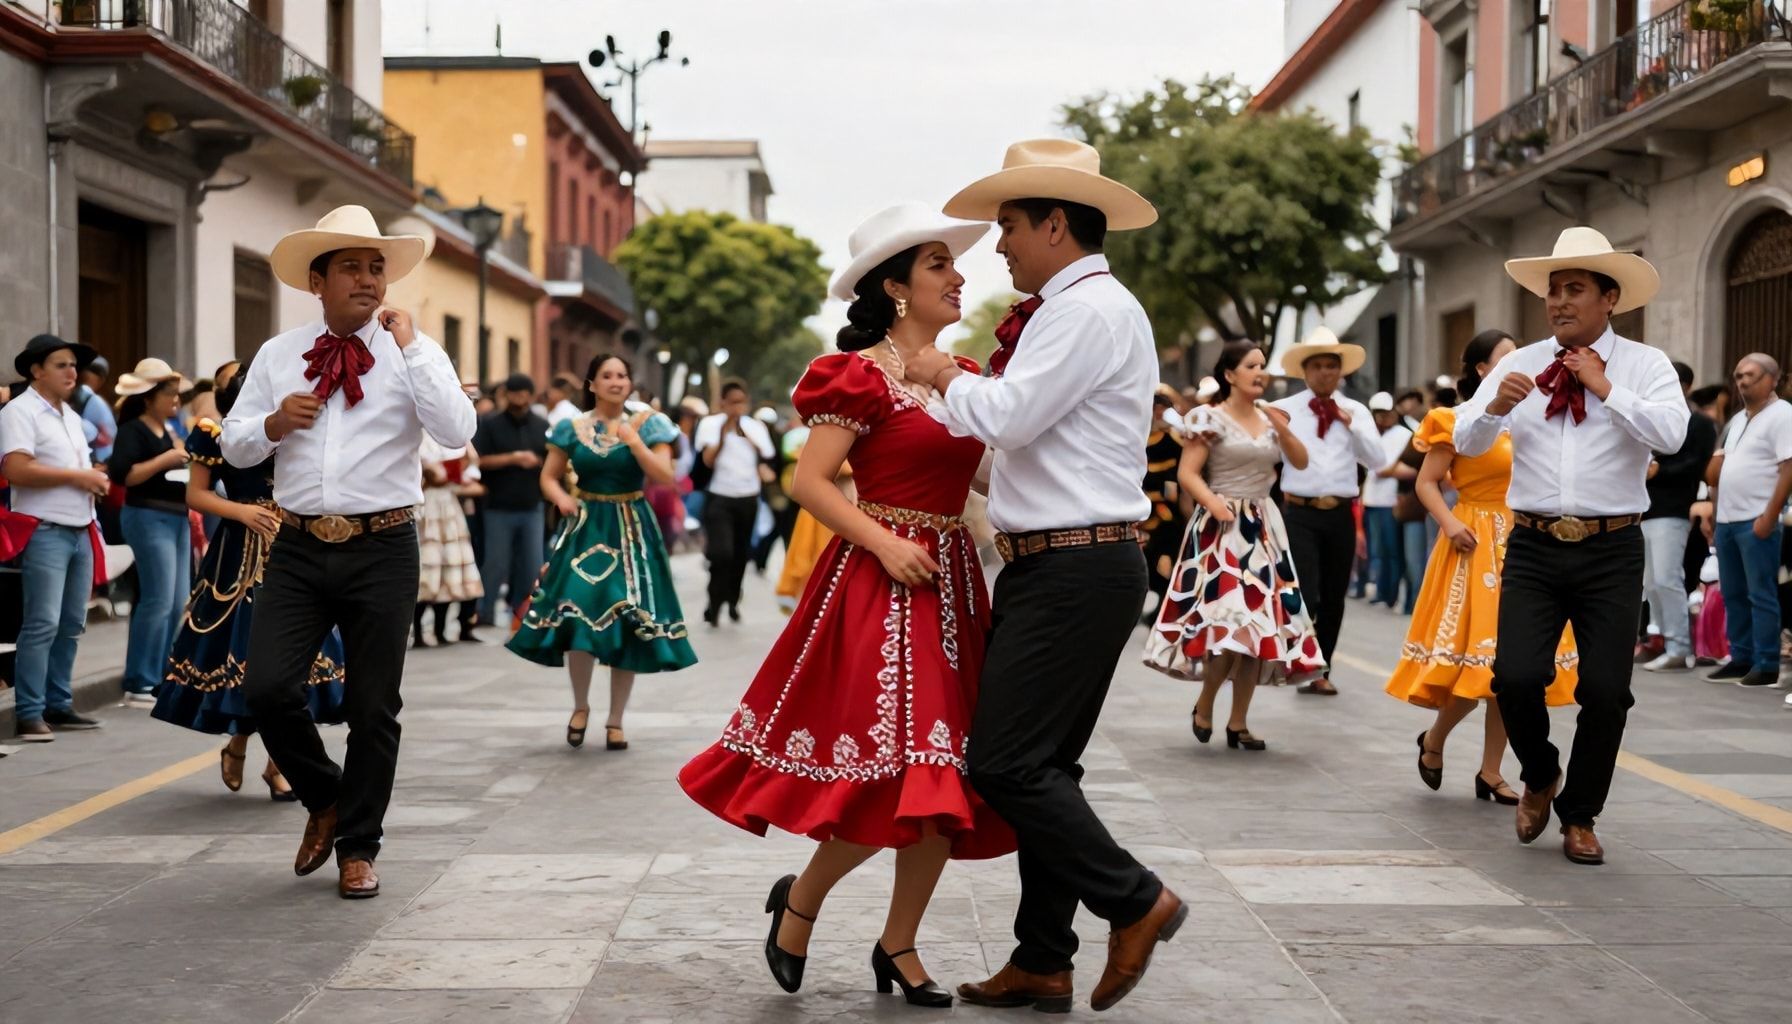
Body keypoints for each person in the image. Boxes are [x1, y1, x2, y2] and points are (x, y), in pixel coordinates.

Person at [680, 202, 1010, 1007]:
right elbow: (809, 481)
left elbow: (985, 480)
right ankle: (801, 905)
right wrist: (884, 542)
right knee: (891, 771)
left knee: (944, 780)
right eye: (939, 264)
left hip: (953, 582)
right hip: (878, 580)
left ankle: (898, 944)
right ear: (893, 287)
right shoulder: (855, 374)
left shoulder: (962, 378)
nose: (959, 275)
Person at [902, 140, 1187, 1013]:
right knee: (1046, 763)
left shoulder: (1085, 311)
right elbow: (1025, 455)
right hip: (1063, 559)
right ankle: (1043, 957)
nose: (999, 249)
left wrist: (945, 373)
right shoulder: (1076, 311)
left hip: (1074, 564)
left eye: (1010, 228)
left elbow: (1014, 418)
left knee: (1005, 763)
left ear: (1056, 225)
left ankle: (1135, 899)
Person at [223, 205, 476, 899]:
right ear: (318, 281)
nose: (368, 279)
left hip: (384, 543)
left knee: (373, 706)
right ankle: (327, 797)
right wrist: (273, 423)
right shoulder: (278, 354)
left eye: (377, 268)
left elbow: (455, 433)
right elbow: (234, 442)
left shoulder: (414, 351)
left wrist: (416, 349)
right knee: (267, 688)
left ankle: (360, 845)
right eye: (351, 267)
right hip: (299, 544)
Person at [1455, 226, 1686, 865]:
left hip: (1612, 548)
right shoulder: (1518, 363)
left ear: (1610, 299)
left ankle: (1580, 814)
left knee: (1607, 689)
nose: (1559, 302)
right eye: (1553, 290)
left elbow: (1671, 436)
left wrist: (1606, 387)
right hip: (1532, 542)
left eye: (1575, 289)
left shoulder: (1645, 365)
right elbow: (1467, 444)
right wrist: (1494, 407)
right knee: (1515, 676)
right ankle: (1539, 771)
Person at [1387, 330, 1577, 804]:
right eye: (1508, 358)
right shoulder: (1454, 418)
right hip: (1472, 543)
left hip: (1525, 541)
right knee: (1477, 668)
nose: (1521, 364)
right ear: (1481, 370)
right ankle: (1434, 740)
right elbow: (1428, 483)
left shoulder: (1533, 418)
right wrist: (1450, 524)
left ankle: (1491, 771)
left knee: (1513, 671)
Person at [154, 360, 346, 799]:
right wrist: (241, 511)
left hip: (297, 543)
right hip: (239, 554)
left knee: (303, 662)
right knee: (243, 657)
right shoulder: (213, 433)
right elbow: (196, 494)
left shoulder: (298, 428)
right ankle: (238, 742)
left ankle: (278, 766)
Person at [508, 353, 695, 750]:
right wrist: (561, 498)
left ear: (630, 383)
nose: (615, 381)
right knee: (577, 611)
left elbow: (667, 476)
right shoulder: (570, 427)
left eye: (622, 375)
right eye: (606, 376)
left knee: (627, 616)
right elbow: (548, 476)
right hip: (586, 526)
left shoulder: (649, 424)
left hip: (632, 526)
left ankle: (616, 720)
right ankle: (580, 706)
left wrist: (636, 444)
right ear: (591, 384)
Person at [1144, 342, 1323, 749]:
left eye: (1263, 366)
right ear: (1229, 374)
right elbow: (1188, 474)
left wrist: (1284, 427)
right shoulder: (1208, 418)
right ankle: (1205, 703)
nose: (1260, 373)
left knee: (1258, 630)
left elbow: (1300, 461)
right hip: (1220, 530)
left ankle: (1238, 722)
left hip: (1263, 528)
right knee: (1232, 625)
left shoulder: (1270, 417)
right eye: (1251, 366)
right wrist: (1214, 504)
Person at [0, 335, 108, 741]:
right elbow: (16, 470)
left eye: (73, 365)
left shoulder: (70, 416)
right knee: (42, 622)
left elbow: (80, 465)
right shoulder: (20, 411)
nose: (72, 372)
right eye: (61, 364)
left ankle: (58, 704)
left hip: (80, 526)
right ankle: (29, 713)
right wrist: (79, 477)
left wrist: (93, 477)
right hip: (44, 528)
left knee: (71, 622)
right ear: (36, 371)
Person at [1272, 328, 1389, 695]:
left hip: (1339, 512)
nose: (1325, 372)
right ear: (1305, 371)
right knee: (1305, 589)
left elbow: (1378, 459)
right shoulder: (1287, 410)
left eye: (1332, 366)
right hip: (1300, 512)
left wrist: (1351, 426)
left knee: (1335, 593)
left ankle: (1322, 667)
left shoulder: (1356, 410)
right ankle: (1299, 659)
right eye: (1318, 366)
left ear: (1341, 372)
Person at [108, 358, 195, 704]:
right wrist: (165, 460)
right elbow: (123, 475)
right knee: (156, 599)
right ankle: (139, 679)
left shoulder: (171, 429)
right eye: (169, 395)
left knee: (176, 602)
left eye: (176, 395)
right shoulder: (133, 430)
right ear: (148, 397)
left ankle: (161, 675)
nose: (175, 402)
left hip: (176, 516)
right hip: (147, 515)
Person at [1705, 353, 1792, 688]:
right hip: (1728, 519)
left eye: (1751, 375)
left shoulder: (1782, 414)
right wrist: (1714, 515)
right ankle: (1741, 656)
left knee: (1761, 593)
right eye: (1738, 375)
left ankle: (1767, 661)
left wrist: (1769, 516)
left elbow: (1788, 467)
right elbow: (1722, 468)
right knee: (1733, 592)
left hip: (1756, 518)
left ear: (1773, 378)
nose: (1742, 381)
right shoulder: (1739, 419)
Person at [1638, 360, 1718, 672]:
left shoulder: (1697, 423)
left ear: (1684, 386)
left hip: (1673, 508)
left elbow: (1697, 463)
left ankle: (1679, 646)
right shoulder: (1652, 419)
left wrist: (1658, 470)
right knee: (1651, 582)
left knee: (1667, 578)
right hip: (1646, 508)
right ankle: (1658, 638)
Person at [471, 373, 549, 633]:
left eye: (525, 392)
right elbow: (479, 460)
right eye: (515, 392)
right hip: (498, 505)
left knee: (531, 563)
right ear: (507, 395)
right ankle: (485, 612)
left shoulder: (541, 424)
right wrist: (514, 458)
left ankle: (523, 612)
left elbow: (551, 460)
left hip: (532, 504)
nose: (520, 398)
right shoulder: (490, 424)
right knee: (495, 563)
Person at [694, 380, 774, 626]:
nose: (737, 407)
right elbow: (707, 460)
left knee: (741, 553)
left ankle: (732, 599)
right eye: (733, 402)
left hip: (748, 496)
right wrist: (724, 432)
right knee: (722, 553)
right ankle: (713, 601)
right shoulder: (710, 424)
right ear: (723, 403)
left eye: (742, 402)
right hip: (720, 496)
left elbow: (767, 453)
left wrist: (743, 432)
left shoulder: (755, 426)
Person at [414, 436, 484, 647]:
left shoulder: (449, 434)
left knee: (450, 566)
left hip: (449, 506)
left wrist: (457, 471)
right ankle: (418, 633)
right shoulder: (419, 438)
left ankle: (441, 630)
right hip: (427, 508)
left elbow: (472, 463)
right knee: (427, 568)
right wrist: (429, 475)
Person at [1139, 385, 1187, 620]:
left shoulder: (1173, 441)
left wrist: (1171, 501)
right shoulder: (1135, 437)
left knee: (1166, 557)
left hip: (1165, 512)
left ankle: (1162, 606)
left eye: (1161, 409)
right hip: (1137, 510)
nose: (1158, 414)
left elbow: (1178, 475)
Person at [1360, 392, 1411, 609]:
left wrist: (1384, 470)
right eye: (1378, 414)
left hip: (1391, 499)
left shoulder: (1404, 434)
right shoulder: (1369, 432)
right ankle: (1380, 591)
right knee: (1376, 549)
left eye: (1385, 414)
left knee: (1391, 550)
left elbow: (1387, 466)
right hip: (1371, 499)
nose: (1382, 418)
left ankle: (1390, 593)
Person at [72, 355, 117, 464]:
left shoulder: (81, 396)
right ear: (101, 379)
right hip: (96, 460)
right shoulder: (95, 401)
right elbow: (110, 436)